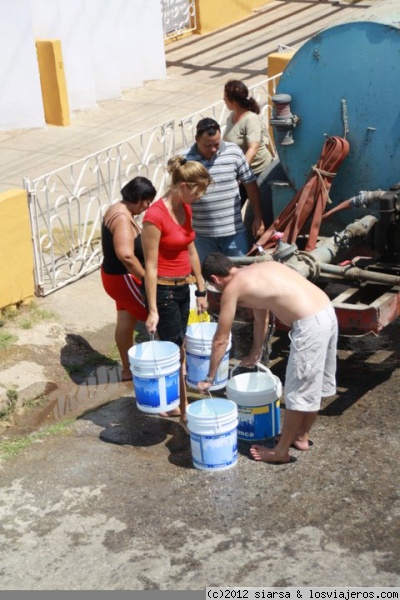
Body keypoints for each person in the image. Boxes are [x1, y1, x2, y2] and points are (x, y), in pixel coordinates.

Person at [198, 252, 338, 464]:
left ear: (215, 279)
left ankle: (280, 452)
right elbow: (260, 319)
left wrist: (210, 376)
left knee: (297, 391)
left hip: (309, 324)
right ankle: (300, 436)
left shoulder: (231, 290)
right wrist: (256, 352)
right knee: (312, 384)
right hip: (327, 311)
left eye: (214, 286)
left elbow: (220, 339)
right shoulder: (257, 269)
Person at [141, 156, 212, 428]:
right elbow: (150, 266)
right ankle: (181, 408)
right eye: (196, 192)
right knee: (176, 350)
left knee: (182, 346)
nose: (199, 197)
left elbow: (191, 249)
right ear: (182, 186)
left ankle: (177, 402)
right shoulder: (154, 216)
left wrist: (201, 290)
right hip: (164, 291)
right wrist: (153, 310)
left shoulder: (186, 208)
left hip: (185, 287)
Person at [183, 117, 265, 265]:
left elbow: (250, 184)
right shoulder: (185, 160)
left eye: (217, 144)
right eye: (208, 146)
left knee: (240, 272)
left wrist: (258, 217)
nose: (214, 149)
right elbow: (178, 195)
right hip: (202, 237)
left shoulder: (233, 152)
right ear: (197, 139)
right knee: (209, 278)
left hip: (233, 234)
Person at [101, 176, 156, 382]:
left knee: (125, 321)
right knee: (157, 317)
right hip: (124, 278)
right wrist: (146, 278)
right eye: (147, 201)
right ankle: (160, 370)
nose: (147, 206)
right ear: (139, 198)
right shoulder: (122, 218)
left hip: (114, 278)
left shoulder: (118, 208)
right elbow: (126, 255)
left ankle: (127, 370)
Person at [223, 79, 273, 216]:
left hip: (256, 172)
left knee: (256, 213)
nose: (223, 100)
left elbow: (253, 148)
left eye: (225, 98)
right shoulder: (232, 116)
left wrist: (240, 171)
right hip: (240, 172)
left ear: (233, 102)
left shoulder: (251, 119)